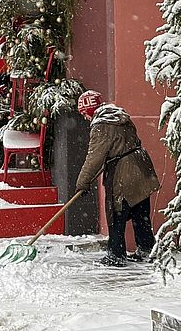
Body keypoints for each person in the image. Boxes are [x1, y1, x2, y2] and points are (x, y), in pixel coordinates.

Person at [75, 90, 160, 267]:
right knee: (140, 213)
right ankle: (146, 249)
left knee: (116, 213)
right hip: (142, 166)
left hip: (123, 172)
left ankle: (116, 255)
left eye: (84, 113)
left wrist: (83, 182)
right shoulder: (121, 117)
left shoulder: (101, 126)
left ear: (90, 110)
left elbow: (94, 158)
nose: (85, 118)